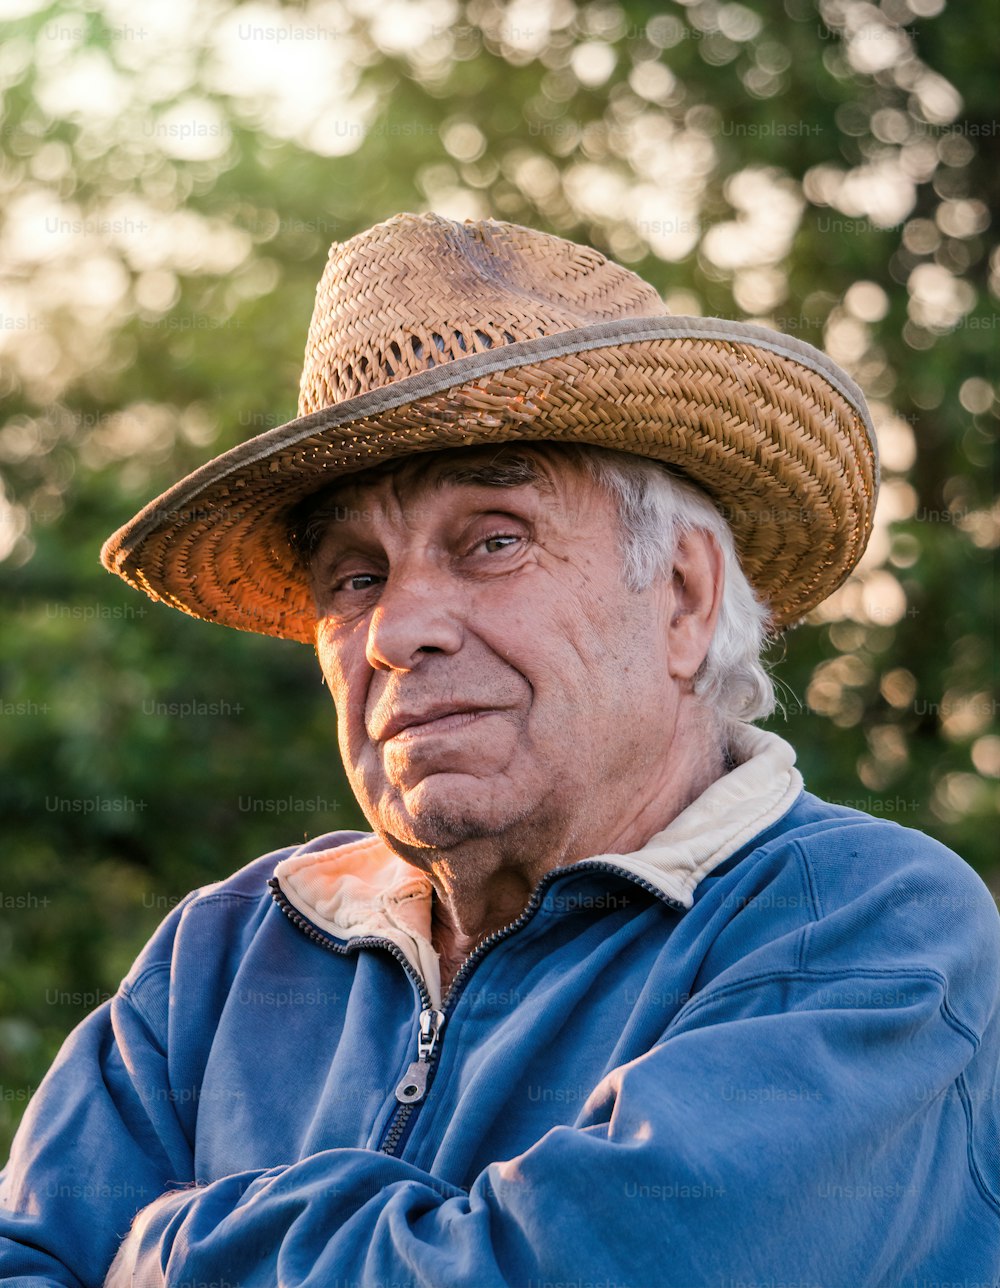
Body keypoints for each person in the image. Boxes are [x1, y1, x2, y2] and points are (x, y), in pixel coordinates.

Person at [1, 212, 997, 1287]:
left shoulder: (862, 922)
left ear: (682, 597)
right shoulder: (225, 953)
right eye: (353, 574)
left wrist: (162, 1248)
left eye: (493, 540)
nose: (394, 629)